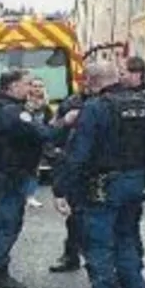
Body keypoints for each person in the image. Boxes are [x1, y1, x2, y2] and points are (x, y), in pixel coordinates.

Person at [59, 61, 145, 288]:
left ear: (91, 81)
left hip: (104, 184)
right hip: (134, 181)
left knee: (99, 246)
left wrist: (61, 189)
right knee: (126, 239)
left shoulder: (95, 107)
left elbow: (78, 153)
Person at [0, 68, 62, 288]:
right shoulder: (13, 111)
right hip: (11, 173)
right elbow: (44, 134)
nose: (30, 88)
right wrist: (64, 122)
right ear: (13, 86)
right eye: (26, 84)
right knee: (8, 222)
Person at [49, 86, 91, 273]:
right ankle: (71, 255)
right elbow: (56, 132)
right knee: (75, 217)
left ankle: (105, 269)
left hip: (102, 168)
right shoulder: (72, 102)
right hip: (76, 167)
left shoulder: (111, 102)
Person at [23, 78, 52, 209]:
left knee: (35, 169)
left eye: (40, 86)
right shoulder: (24, 104)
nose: (37, 89)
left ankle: (31, 196)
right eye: (35, 86)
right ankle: (23, 195)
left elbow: (49, 122)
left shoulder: (46, 106)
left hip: (39, 141)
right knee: (24, 169)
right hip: (25, 140)